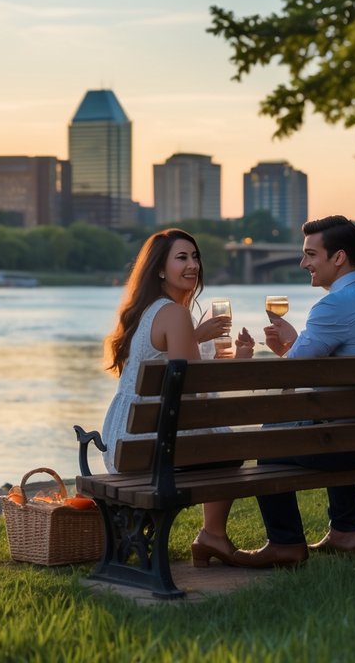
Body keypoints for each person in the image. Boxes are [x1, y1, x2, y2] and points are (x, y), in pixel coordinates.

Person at [226, 215, 355, 570]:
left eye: (310, 254)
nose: (303, 263)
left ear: (338, 258)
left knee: (269, 442)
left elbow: (292, 374)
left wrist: (287, 348)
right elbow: (315, 370)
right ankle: (344, 531)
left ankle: (285, 543)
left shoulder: (334, 305)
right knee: (338, 418)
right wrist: (293, 347)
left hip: (352, 443)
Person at [103, 228, 255, 568]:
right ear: (160, 269)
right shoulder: (174, 313)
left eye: (195, 257)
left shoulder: (148, 312)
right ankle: (212, 534)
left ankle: (210, 536)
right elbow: (196, 394)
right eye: (182, 258)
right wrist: (241, 363)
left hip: (125, 441)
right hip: (151, 446)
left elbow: (186, 383)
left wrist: (206, 345)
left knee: (220, 441)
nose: (193, 265)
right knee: (229, 446)